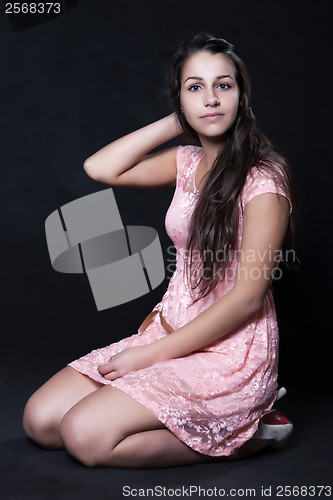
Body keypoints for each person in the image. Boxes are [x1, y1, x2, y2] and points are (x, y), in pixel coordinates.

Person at [23, 33, 297, 468]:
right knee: (40, 421)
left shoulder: (264, 179)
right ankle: (210, 421)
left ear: (242, 96)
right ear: (180, 99)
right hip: (169, 329)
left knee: (84, 436)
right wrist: (179, 121)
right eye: (195, 88)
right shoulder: (186, 161)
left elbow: (247, 297)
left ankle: (255, 434)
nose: (211, 99)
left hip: (229, 352)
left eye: (223, 86)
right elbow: (100, 168)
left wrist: (147, 356)